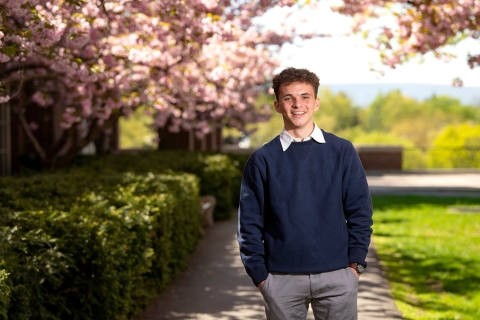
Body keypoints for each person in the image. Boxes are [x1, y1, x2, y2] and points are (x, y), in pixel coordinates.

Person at [237, 67, 373, 320]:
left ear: (316, 103)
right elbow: (249, 225)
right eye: (289, 98)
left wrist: (356, 264)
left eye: (305, 97)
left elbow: (360, 211)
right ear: (278, 105)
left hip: (338, 276)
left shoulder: (342, 151)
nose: (297, 104)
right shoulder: (262, 160)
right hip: (280, 280)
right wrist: (260, 277)